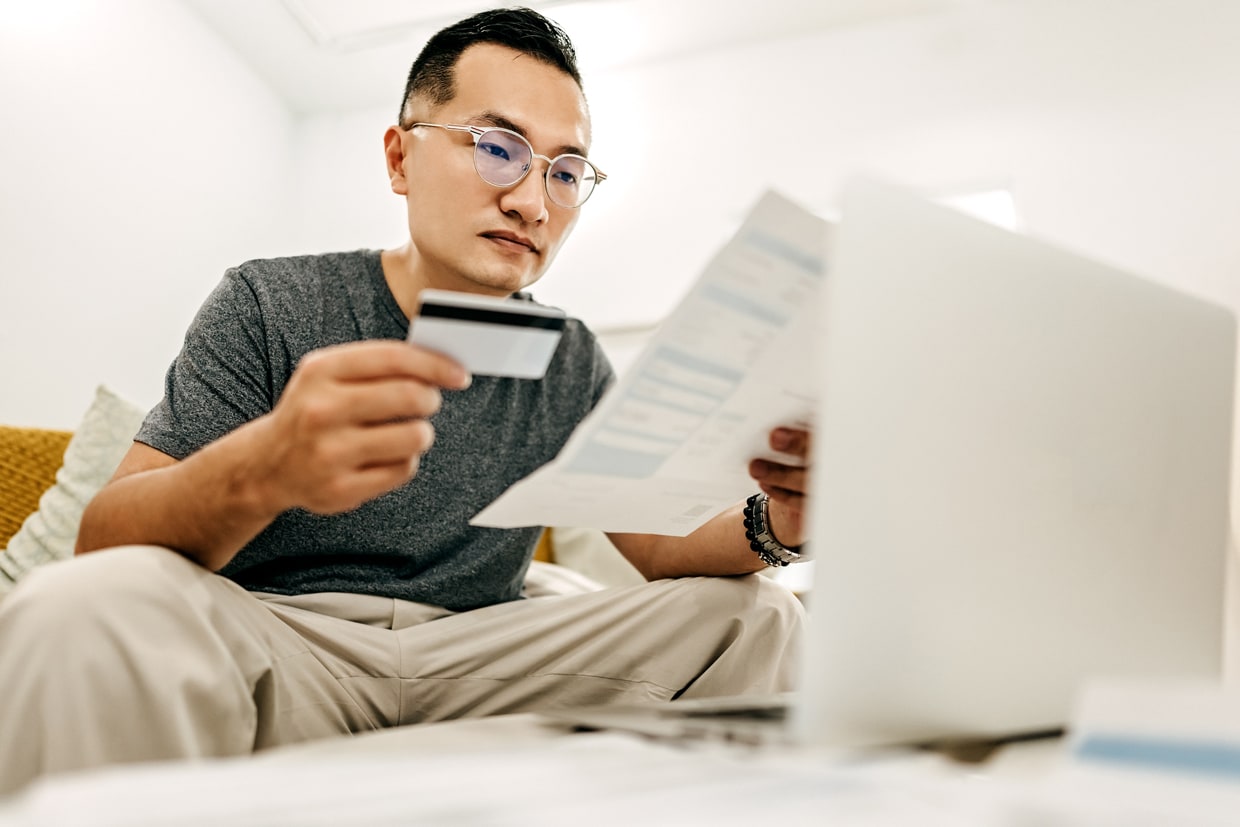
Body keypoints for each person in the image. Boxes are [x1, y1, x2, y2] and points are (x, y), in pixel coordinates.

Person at [0, 7, 809, 795]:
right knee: (83, 607)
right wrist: (268, 465)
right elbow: (104, 539)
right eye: (498, 148)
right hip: (285, 640)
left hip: (481, 654)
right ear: (399, 158)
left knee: (757, 618)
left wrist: (776, 520)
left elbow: (657, 546)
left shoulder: (568, 354)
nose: (533, 202)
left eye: (565, 173)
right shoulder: (271, 300)